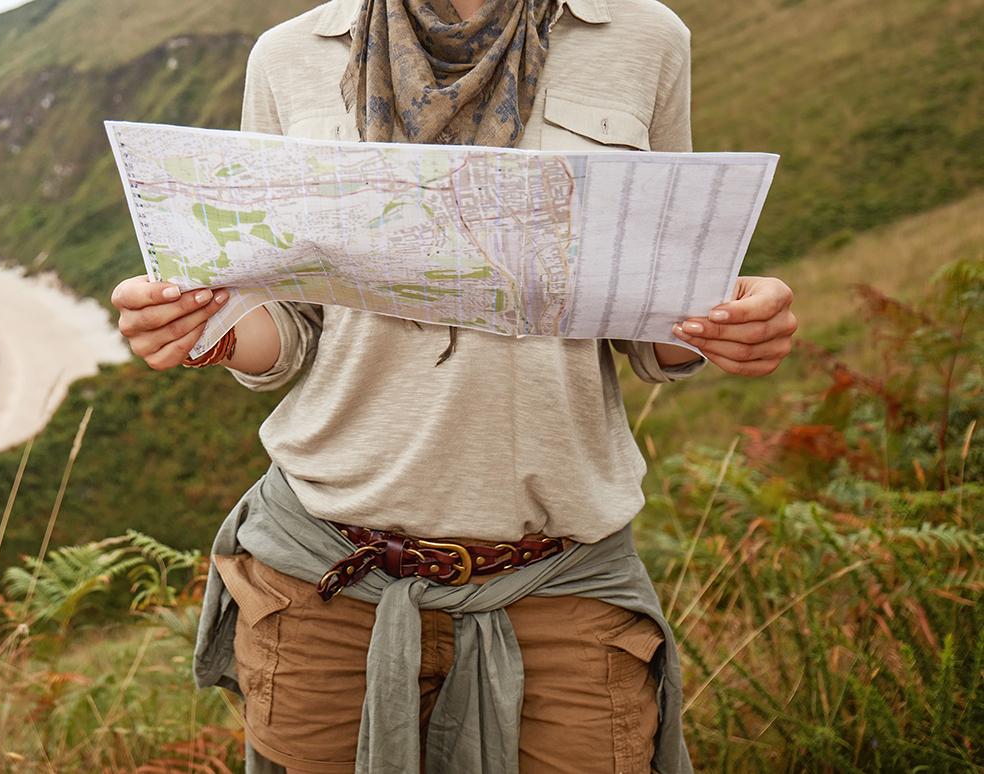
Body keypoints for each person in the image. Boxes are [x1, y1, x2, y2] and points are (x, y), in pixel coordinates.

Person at [109, 0, 798, 772]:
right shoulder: (287, 56)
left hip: (560, 580)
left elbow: (655, 298)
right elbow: (291, 322)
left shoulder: (644, 39)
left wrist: (725, 322)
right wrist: (213, 328)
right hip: (324, 580)